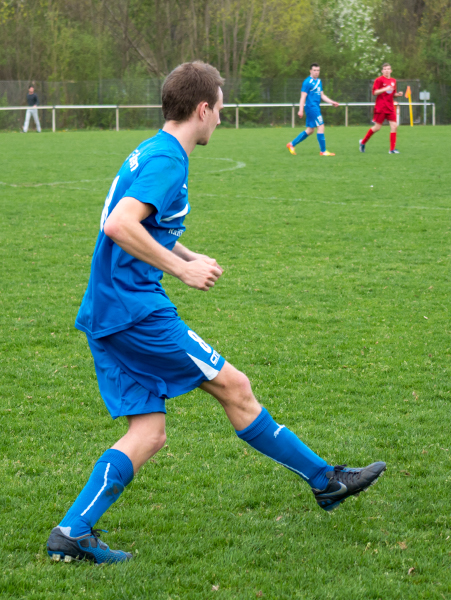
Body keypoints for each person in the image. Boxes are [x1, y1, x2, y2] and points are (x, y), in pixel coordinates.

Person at [46, 61, 386, 564]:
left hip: (107, 309)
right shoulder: (168, 160)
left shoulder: (151, 150)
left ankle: (71, 534)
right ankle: (325, 480)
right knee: (235, 386)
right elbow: (119, 224)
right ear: (202, 109)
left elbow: (143, 225)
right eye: (220, 110)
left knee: (148, 433)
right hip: (136, 312)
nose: (222, 120)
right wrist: (180, 269)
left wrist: (185, 252)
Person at [287, 63, 339, 156]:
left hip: (315, 107)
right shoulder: (307, 82)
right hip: (311, 108)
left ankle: (291, 144)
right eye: (314, 70)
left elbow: (322, 95)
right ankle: (323, 151)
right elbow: (303, 97)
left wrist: (332, 102)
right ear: (310, 71)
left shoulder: (319, 81)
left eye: (318, 70)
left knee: (310, 130)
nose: (316, 72)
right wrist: (300, 110)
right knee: (321, 126)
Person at [359, 63, 404, 154]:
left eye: (388, 69)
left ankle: (392, 149)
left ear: (391, 70)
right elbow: (374, 92)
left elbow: (392, 94)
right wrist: (384, 89)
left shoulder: (393, 81)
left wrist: (397, 94)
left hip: (390, 107)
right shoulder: (379, 80)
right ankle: (363, 142)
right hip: (381, 107)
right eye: (385, 69)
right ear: (382, 71)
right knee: (377, 128)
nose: (387, 71)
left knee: (394, 126)